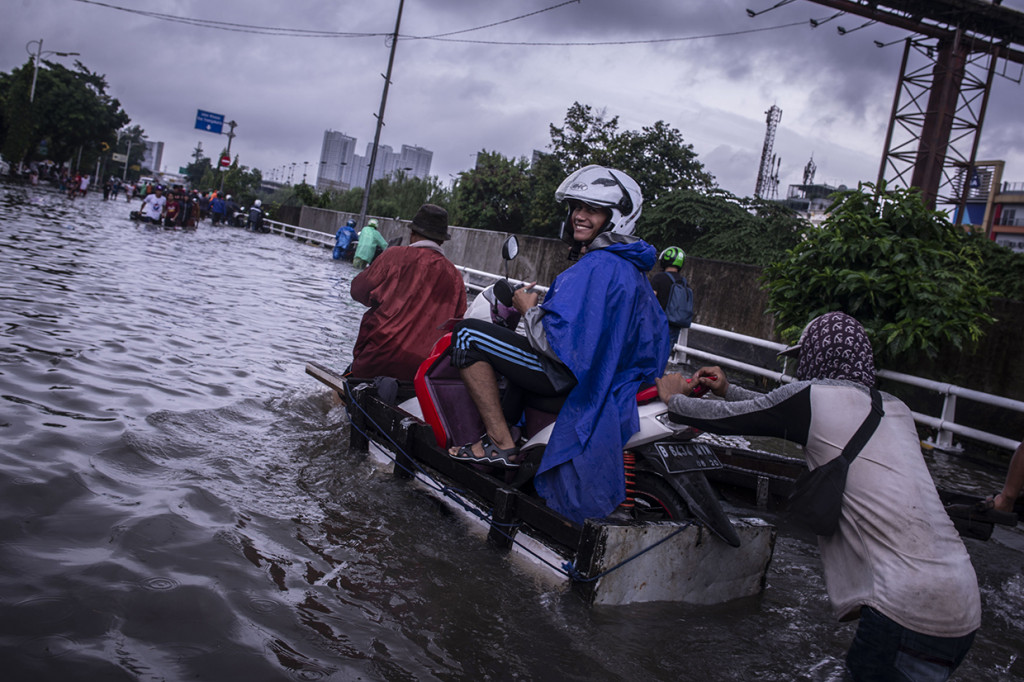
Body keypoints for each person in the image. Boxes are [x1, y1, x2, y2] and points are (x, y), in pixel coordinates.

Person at [655, 311, 980, 680]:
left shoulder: (816, 398)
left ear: (817, 357)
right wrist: (728, 389)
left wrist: (674, 400)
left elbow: (733, 419)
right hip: (963, 605)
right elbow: (780, 410)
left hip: (906, 609)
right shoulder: (895, 408)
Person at [447, 165, 671, 524]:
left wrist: (528, 310)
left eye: (593, 210)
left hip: (569, 376)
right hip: (608, 379)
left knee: (469, 335)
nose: (579, 216)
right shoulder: (630, 268)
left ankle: (500, 442)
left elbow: (556, 343)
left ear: (615, 218)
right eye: (576, 207)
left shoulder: (597, 266)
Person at [349, 204, 467, 382]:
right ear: (441, 241)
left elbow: (358, 290)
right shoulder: (455, 277)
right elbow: (457, 324)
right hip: (422, 371)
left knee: (339, 392)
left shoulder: (394, 256)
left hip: (378, 357)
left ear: (412, 234)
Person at [651, 245, 693, 342]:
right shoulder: (684, 282)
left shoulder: (659, 278)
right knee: (665, 354)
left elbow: (649, 300)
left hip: (657, 323)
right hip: (674, 326)